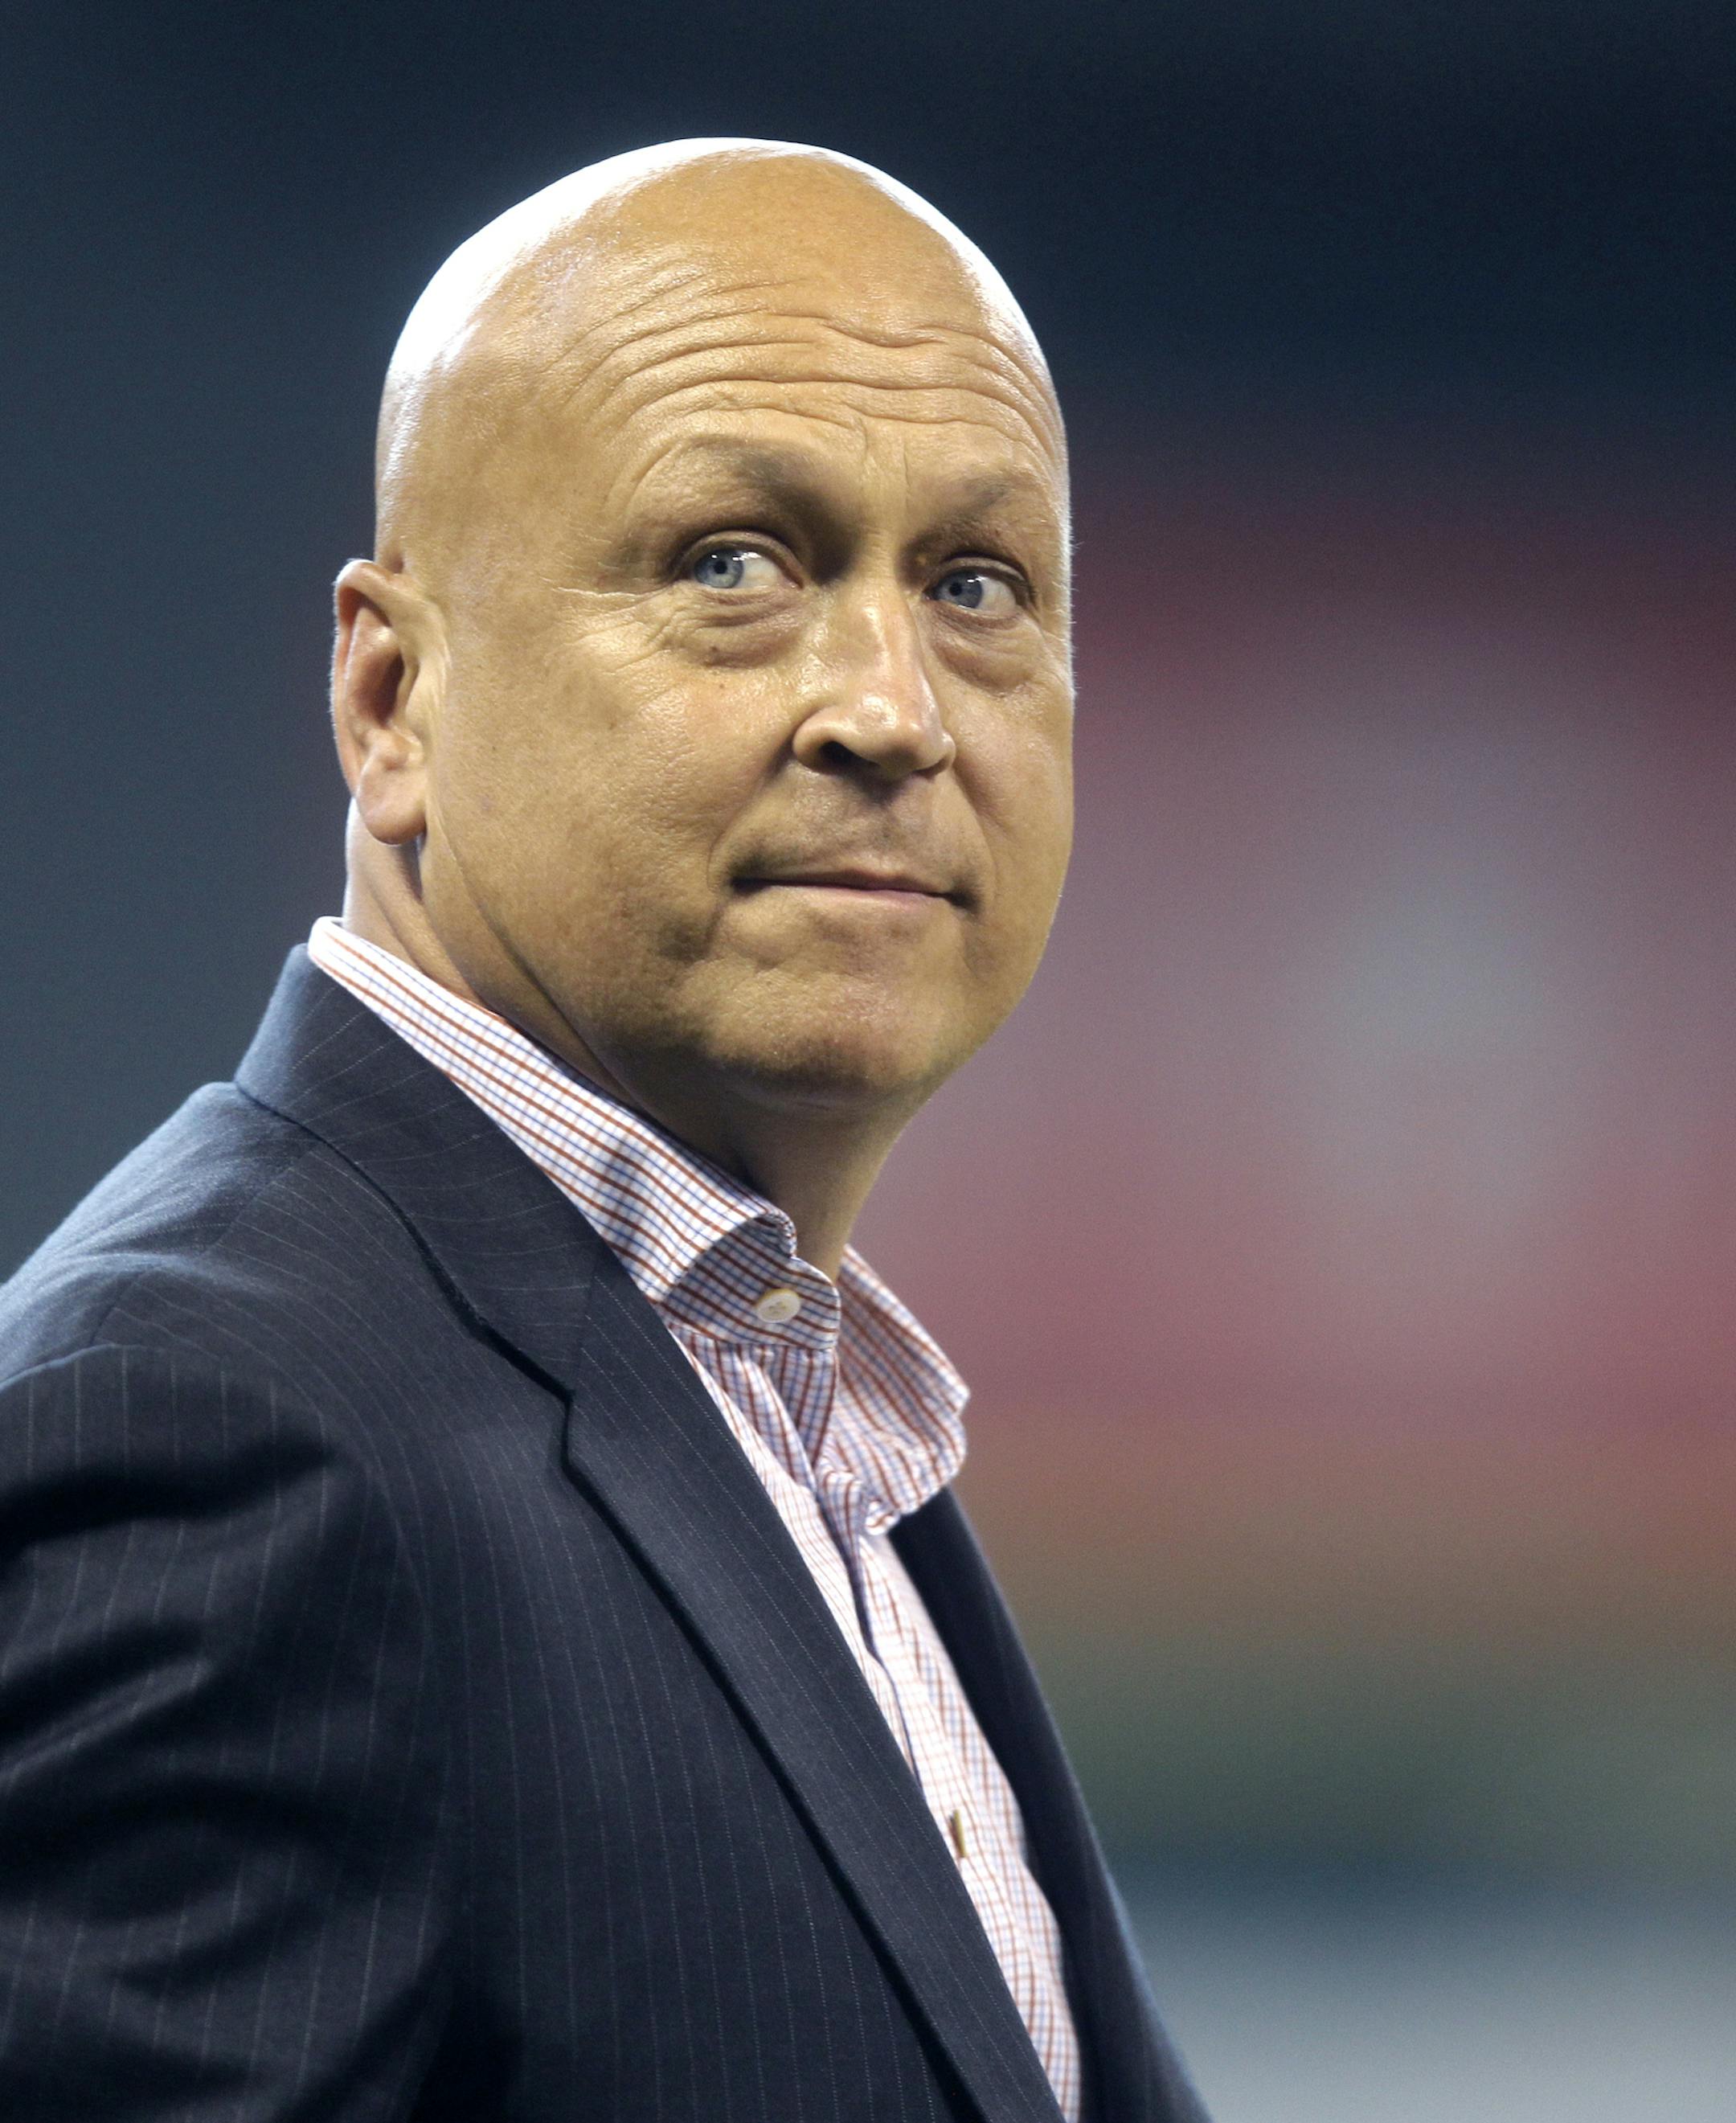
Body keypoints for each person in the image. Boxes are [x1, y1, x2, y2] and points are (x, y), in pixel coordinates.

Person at [0, 140, 1206, 2123]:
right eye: (736, 565)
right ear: (390, 698)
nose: (892, 707)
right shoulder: (213, 1429)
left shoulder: (786, 1414)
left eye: (977, 584)